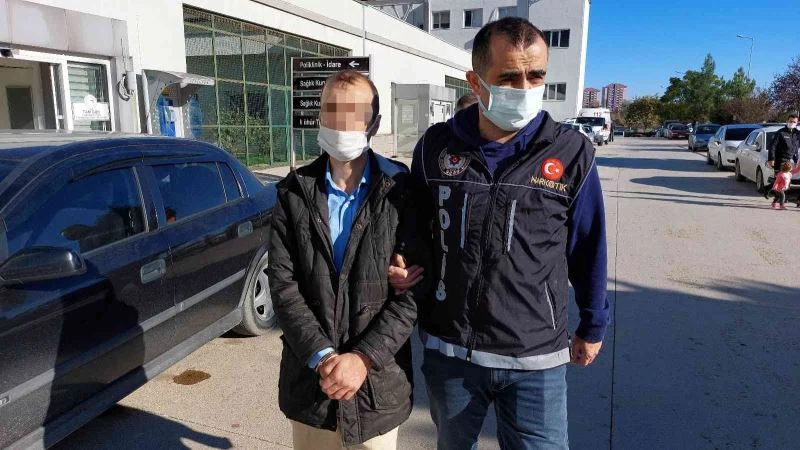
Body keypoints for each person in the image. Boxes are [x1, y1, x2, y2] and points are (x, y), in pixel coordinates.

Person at [389, 17, 609, 450]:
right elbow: (414, 228)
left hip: (536, 357)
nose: (524, 87)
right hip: (451, 352)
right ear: (475, 82)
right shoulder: (436, 147)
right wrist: (402, 262)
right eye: (508, 77)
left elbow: (589, 245)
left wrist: (593, 323)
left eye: (536, 75)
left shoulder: (571, 151)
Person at [268, 69, 426, 450]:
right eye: (332, 111)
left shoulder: (400, 191)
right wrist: (324, 357)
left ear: (374, 123)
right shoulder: (293, 193)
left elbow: (412, 292)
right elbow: (283, 286)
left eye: (354, 113)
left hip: (377, 391)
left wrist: (362, 359)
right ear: (320, 117)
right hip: (313, 389)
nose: (341, 123)